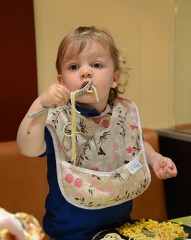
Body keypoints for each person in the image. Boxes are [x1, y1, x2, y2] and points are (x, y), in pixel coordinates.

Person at [16, 26, 177, 240]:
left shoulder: (122, 113)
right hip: (69, 233)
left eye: (97, 65)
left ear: (114, 78)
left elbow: (135, 144)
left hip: (118, 230)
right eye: (73, 66)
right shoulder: (59, 119)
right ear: (62, 82)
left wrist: (154, 158)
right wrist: (40, 105)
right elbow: (27, 147)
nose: (86, 71)